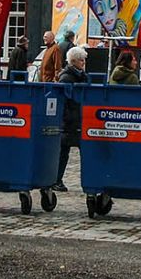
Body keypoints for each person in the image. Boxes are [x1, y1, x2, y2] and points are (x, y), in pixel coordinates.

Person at [54, 46, 89, 191]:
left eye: (84, 60)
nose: (83, 63)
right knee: (63, 152)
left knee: (71, 151)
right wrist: (68, 118)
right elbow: (65, 102)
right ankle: (56, 180)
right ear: (73, 61)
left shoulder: (81, 75)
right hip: (70, 121)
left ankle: (59, 179)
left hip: (79, 119)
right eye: (81, 60)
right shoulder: (67, 78)